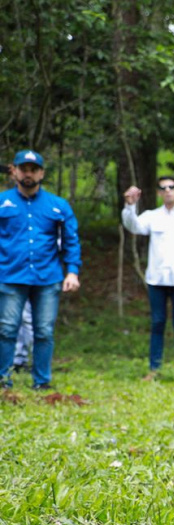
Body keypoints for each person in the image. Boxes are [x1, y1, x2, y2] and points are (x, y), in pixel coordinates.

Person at [0, 150, 81, 391]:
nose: (28, 174)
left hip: (48, 277)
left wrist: (73, 271)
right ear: (14, 171)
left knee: (44, 331)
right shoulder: (2, 202)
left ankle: (42, 382)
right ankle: (4, 380)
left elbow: (71, 241)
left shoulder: (58, 206)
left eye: (33, 169)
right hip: (10, 276)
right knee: (7, 329)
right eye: (24, 169)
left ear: (41, 173)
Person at [122, 177, 174, 380]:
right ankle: (154, 368)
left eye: (171, 187)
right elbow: (134, 226)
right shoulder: (152, 216)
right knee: (157, 322)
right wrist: (130, 206)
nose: (167, 191)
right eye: (163, 188)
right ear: (158, 193)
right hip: (157, 279)